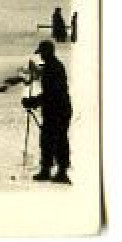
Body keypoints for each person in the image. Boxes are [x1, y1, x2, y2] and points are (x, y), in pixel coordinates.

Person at [22, 39, 72, 183]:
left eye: (42, 53)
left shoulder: (54, 68)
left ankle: (61, 172)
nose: (41, 56)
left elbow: (52, 93)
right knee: (47, 139)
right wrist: (35, 70)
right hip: (53, 109)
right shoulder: (52, 66)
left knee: (58, 139)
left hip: (59, 109)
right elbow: (42, 73)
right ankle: (46, 170)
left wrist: (33, 101)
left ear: (48, 52)